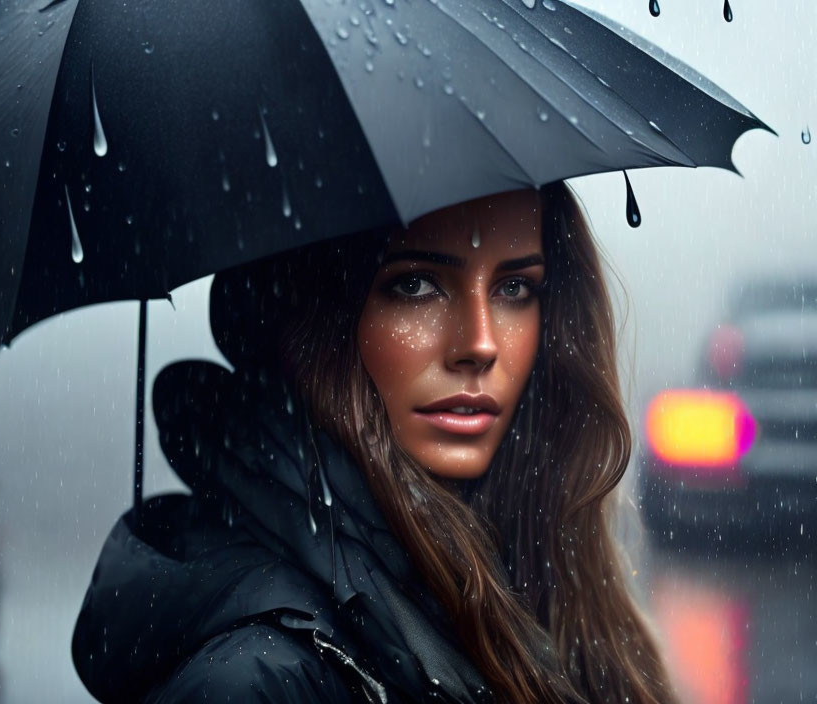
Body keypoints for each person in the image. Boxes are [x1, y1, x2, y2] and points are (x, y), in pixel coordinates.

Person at [72, 183, 677, 703]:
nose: (482, 343)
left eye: (515, 288)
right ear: (317, 320)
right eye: (415, 284)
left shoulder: (532, 579)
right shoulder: (255, 683)